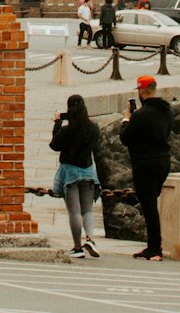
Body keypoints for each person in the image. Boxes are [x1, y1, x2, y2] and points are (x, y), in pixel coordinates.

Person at [119, 73, 173, 261]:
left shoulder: (140, 115)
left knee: (149, 204)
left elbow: (125, 138)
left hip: (145, 163)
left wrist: (126, 119)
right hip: (164, 161)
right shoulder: (167, 110)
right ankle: (155, 245)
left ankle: (154, 248)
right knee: (152, 202)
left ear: (142, 91)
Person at [50, 93, 105, 258]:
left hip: (70, 172)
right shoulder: (93, 127)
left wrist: (57, 124)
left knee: (74, 211)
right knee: (87, 209)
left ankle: (77, 247)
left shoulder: (67, 130)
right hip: (88, 170)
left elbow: (55, 145)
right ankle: (90, 238)